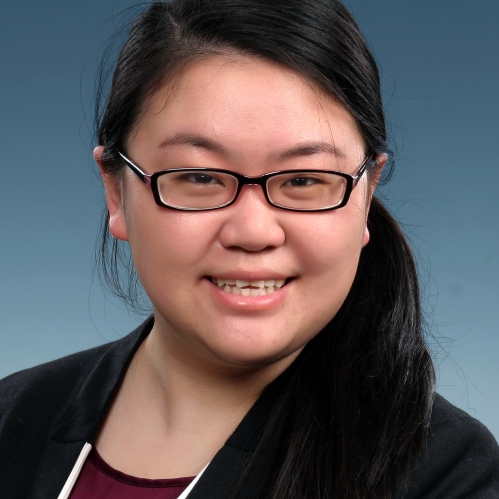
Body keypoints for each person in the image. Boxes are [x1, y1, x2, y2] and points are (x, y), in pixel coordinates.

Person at [0, 0, 498, 498]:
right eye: (198, 177)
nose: (254, 231)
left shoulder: (445, 472)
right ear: (116, 192)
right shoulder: (13, 416)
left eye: (304, 179)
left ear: (366, 195)